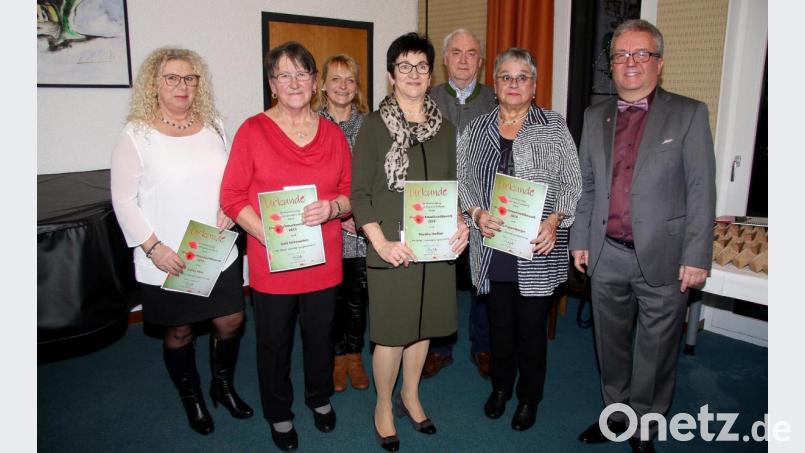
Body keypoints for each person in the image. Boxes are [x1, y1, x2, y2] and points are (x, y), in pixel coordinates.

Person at [569, 19, 716, 453]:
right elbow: (587, 185)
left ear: (659, 62)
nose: (630, 63)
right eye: (620, 55)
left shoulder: (689, 113)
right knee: (609, 343)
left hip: (666, 258)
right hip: (607, 253)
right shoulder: (595, 116)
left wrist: (697, 254)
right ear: (611, 65)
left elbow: (701, 190)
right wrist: (581, 238)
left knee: (655, 350)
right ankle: (616, 415)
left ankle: (645, 426)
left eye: (641, 54)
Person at [111, 47, 253, 436]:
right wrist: (153, 247)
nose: (182, 85)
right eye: (172, 77)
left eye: (190, 78)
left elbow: (229, 180)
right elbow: (123, 200)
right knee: (180, 331)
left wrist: (229, 206)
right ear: (154, 84)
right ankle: (191, 396)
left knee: (231, 319)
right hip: (167, 256)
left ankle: (222, 385)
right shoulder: (136, 135)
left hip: (215, 247)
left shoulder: (214, 126)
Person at [220, 42, 352, 452]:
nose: (293, 82)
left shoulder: (332, 134)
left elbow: (350, 196)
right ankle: (279, 412)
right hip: (272, 260)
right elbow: (231, 196)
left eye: (302, 73)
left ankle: (319, 397)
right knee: (273, 341)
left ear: (314, 82)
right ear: (272, 85)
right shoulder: (252, 131)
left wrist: (332, 207)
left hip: (323, 260)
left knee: (319, 336)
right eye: (283, 74)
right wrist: (266, 234)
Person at [350, 32, 469, 452]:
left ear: (429, 73)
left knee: (424, 328)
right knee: (392, 333)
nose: (414, 74)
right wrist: (379, 242)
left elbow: (452, 189)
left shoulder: (446, 129)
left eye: (421, 66)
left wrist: (460, 224)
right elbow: (359, 194)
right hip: (392, 248)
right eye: (405, 66)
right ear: (391, 75)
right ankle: (384, 404)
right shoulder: (373, 126)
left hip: (435, 247)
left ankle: (411, 395)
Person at [457, 47, 582, 432]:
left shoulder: (554, 125)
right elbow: (463, 183)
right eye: (506, 77)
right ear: (494, 85)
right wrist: (476, 213)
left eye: (522, 77)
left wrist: (556, 219)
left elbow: (573, 183)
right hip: (492, 246)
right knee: (499, 327)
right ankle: (500, 388)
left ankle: (529, 397)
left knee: (530, 330)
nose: (514, 84)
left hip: (536, 250)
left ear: (534, 83)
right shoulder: (475, 129)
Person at [425, 28, 497, 380]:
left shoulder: (497, 101)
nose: (464, 59)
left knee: (481, 279)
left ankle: (482, 345)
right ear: (445, 59)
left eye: (471, 53)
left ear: (480, 61)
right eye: (457, 52)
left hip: (481, 208)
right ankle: (439, 348)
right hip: (439, 207)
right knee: (440, 279)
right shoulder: (427, 98)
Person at [313, 54, 370, 392]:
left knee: (357, 296)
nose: (343, 86)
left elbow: (375, 178)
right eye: (335, 79)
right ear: (322, 84)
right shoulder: (312, 123)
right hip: (325, 227)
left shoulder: (369, 125)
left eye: (349, 79)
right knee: (330, 298)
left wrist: (358, 216)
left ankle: (354, 354)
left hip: (361, 229)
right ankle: (336, 356)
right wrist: (338, 212)